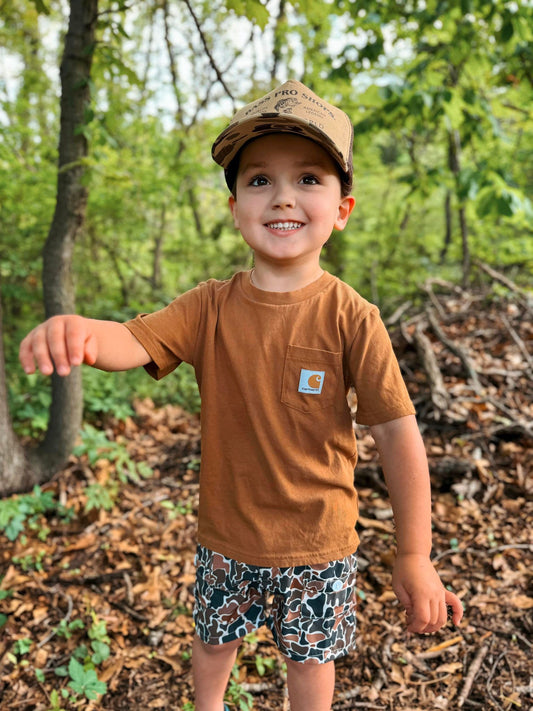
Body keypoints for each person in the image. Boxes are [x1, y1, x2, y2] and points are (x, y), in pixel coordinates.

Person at [20, 79, 463, 711]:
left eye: (309, 178)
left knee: (309, 661)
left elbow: (398, 434)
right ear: (235, 207)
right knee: (213, 643)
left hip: (319, 542)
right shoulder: (209, 306)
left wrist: (414, 555)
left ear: (343, 208)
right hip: (226, 537)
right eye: (259, 180)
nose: (282, 195)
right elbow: (133, 341)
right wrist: (82, 333)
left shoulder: (351, 318)